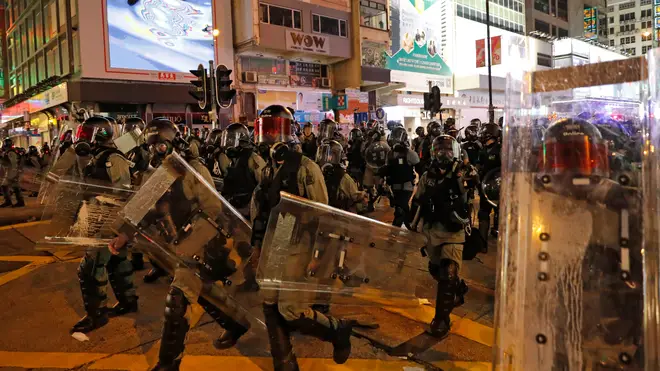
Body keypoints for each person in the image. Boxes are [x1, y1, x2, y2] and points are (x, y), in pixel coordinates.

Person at [494, 118, 643, 369]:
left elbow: (641, 270)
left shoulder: (621, 204)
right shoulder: (535, 205)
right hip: (553, 333)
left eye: (583, 156)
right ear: (545, 162)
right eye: (563, 157)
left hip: (608, 338)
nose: (574, 169)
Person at [109, 119, 248, 371]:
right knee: (204, 292)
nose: (155, 151)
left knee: (178, 299)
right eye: (151, 147)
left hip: (202, 243)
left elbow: (214, 210)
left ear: (172, 142)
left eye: (160, 145)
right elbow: (142, 207)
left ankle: (167, 364)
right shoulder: (160, 174)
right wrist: (123, 235)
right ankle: (236, 323)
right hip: (179, 244)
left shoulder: (193, 169)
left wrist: (193, 243)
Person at [249, 105, 353, 371]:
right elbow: (261, 213)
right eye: (265, 130)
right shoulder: (267, 170)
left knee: (291, 310)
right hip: (275, 241)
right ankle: (285, 364)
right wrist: (257, 247)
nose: (270, 137)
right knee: (269, 304)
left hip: (298, 243)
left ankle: (336, 330)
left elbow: (323, 215)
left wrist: (319, 257)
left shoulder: (306, 168)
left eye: (275, 130)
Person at [71, 116, 137, 334]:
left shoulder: (113, 158)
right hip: (99, 218)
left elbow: (124, 194)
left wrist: (117, 227)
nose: (82, 136)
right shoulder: (95, 157)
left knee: (89, 270)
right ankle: (128, 302)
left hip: (108, 221)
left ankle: (96, 315)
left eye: (86, 132)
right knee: (117, 263)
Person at [413, 135, 469, 338]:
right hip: (432, 230)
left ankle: (441, 319)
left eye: (447, 151)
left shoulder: (461, 173)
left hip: (454, 229)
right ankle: (458, 288)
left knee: (448, 272)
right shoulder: (428, 175)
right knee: (436, 270)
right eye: (439, 151)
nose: (443, 155)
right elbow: (419, 199)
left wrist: (462, 176)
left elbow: (469, 189)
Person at [221, 123, 265, 218]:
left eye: (231, 140)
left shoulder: (253, 159)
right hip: (234, 211)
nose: (229, 143)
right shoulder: (233, 160)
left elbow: (264, 187)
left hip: (249, 212)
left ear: (242, 141)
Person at [383, 127, 419, 228]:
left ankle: (401, 228)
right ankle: (411, 225)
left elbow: (419, 166)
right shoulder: (390, 154)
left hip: (406, 186)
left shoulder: (409, 153)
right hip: (394, 187)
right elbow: (387, 169)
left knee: (401, 208)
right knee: (401, 207)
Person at [316, 140, 366, 212]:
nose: (325, 157)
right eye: (323, 154)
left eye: (329, 155)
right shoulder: (342, 177)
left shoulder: (342, 177)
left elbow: (355, 196)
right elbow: (355, 196)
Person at [477, 123, 501, 241]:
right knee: (483, 213)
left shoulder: (500, 150)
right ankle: (482, 242)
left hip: (498, 188)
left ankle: (498, 233)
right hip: (485, 186)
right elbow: (479, 166)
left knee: (500, 212)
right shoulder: (483, 150)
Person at [0, 138, 25, 208]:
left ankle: (11, 202)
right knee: (14, 187)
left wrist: (14, 174)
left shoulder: (10, 152)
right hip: (11, 172)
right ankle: (19, 202)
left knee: (6, 186)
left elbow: (13, 163)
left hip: (12, 172)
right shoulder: (9, 152)